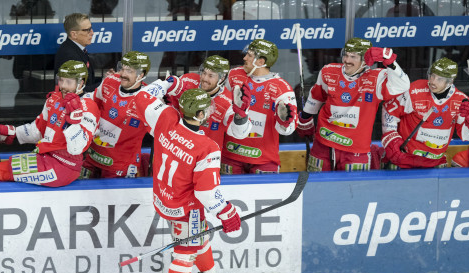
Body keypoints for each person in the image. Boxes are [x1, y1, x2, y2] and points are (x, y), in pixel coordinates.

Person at [133, 86, 240, 273]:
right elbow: (206, 191)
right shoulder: (206, 147)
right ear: (200, 115)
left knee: (199, 237)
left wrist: (165, 83)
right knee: (185, 251)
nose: (209, 112)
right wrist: (227, 213)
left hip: (163, 199)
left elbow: (140, 96)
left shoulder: (166, 116)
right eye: (206, 110)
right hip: (185, 209)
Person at [296, 37, 410, 171]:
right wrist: (305, 117)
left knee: (353, 190)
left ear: (365, 60)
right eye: (346, 55)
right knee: (316, 187)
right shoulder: (329, 71)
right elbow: (316, 97)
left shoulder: (378, 77)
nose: (347, 60)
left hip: (356, 150)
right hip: (323, 144)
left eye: (353, 57)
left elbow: (403, 85)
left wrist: (390, 62)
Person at [0, 60, 100, 187]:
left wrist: (73, 123)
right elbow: (37, 131)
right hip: (45, 157)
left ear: (81, 83)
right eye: (61, 80)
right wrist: (10, 132)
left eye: (69, 81)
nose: (63, 86)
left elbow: (78, 148)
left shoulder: (89, 107)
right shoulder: (54, 99)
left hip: (64, 167)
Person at [382, 57, 469, 169]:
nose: (433, 81)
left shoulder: (461, 101)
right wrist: (391, 137)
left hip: (435, 162)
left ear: (450, 81)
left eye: (439, 79)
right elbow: (390, 109)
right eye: (432, 75)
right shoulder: (414, 90)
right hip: (405, 158)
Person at [223, 39, 297, 174]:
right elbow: (220, 104)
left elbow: (288, 130)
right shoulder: (234, 75)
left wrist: (285, 122)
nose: (244, 58)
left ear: (261, 62)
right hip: (230, 154)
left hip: (264, 160)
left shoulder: (282, 88)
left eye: (250, 55)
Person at [80, 51, 153, 178]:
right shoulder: (109, 81)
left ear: (141, 75)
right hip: (93, 157)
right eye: (122, 68)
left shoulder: (149, 100)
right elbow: (89, 101)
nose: (123, 74)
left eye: (129, 71)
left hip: (120, 167)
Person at [165, 54, 252, 149]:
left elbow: (239, 134)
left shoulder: (228, 103)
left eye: (211, 76)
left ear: (222, 78)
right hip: (176, 149)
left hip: (205, 158)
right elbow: (170, 106)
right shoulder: (187, 80)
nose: (204, 78)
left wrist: (240, 116)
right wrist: (166, 97)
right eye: (204, 73)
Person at [54, 13, 99, 93]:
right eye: (87, 30)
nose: (92, 33)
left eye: (91, 28)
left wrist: (106, 78)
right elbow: (79, 91)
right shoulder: (69, 55)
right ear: (74, 34)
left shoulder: (76, 49)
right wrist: (106, 83)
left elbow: (88, 81)